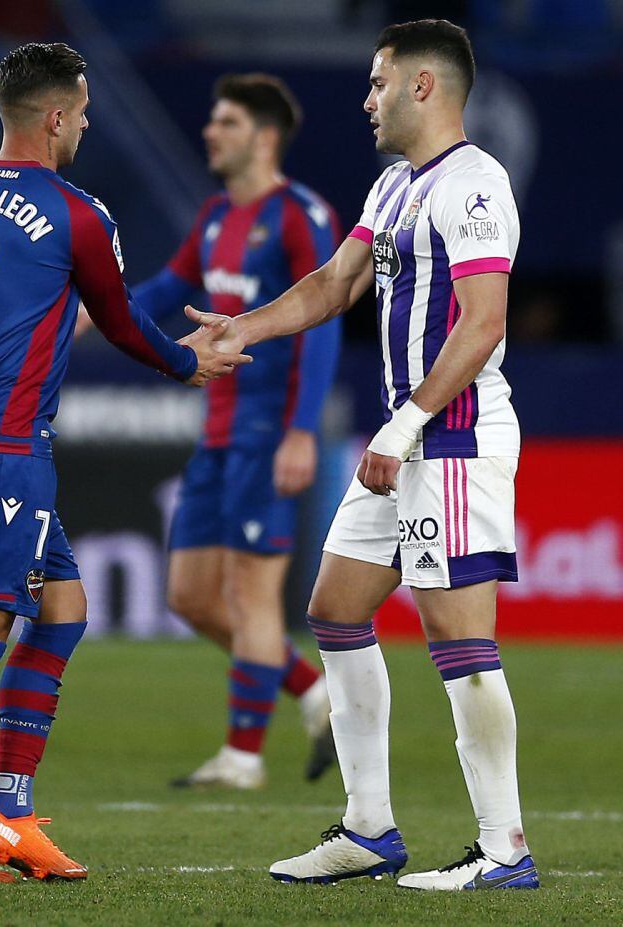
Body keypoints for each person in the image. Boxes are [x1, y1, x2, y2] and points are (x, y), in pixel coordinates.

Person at [0, 42, 249, 883]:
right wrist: (188, 362)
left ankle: (9, 813)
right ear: (54, 118)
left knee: (64, 610)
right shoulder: (78, 211)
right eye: (80, 111)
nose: (85, 121)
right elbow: (120, 321)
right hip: (2, 447)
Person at [192, 19, 538, 890]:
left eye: (378, 83)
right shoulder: (393, 187)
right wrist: (247, 327)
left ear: (423, 86)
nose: (366, 99)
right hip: (409, 430)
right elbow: (335, 284)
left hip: (448, 433)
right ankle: (369, 828)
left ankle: (505, 850)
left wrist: (404, 424)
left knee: (457, 635)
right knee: (337, 607)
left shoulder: (475, 184)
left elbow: (483, 321)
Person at [83, 73, 343, 789]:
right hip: (218, 426)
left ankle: (243, 756)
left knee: (253, 599)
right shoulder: (215, 217)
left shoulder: (300, 215)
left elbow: (322, 324)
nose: (210, 132)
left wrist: (301, 430)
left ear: (262, 136)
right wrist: (89, 312)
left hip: (268, 429)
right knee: (190, 595)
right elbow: (166, 292)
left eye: (225, 122)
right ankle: (316, 692)